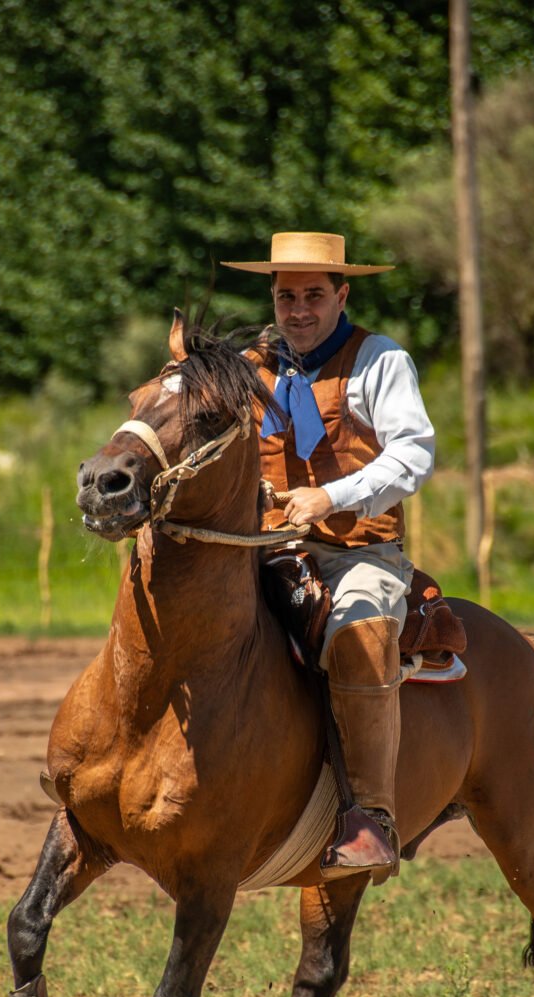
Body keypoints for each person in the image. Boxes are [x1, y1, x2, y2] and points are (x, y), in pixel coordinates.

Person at [222, 231, 435, 882]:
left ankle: (371, 818)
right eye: (287, 295)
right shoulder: (244, 366)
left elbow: (413, 455)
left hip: (355, 551)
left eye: (315, 294)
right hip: (257, 544)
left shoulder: (379, 360)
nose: (299, 309)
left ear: (341, 294)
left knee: (363, 629)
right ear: (273, 297)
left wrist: (333, 497)